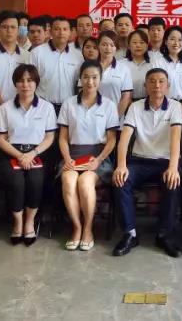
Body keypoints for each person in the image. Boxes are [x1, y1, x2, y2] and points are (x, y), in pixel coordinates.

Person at [111, 68, 182, 257]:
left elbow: (176, 139)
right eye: (152, 81)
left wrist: (173, 167)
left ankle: (164, 235)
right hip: (139, 161)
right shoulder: (135, 107)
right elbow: (124, 139)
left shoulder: (176, 107)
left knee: (173, 181)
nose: (156, 85)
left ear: (168, 86)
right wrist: (121, 165)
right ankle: (130, 234)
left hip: (165, 161)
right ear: (145, 86)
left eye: (161, 81)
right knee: (121, 180)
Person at [58, 60, 120, 251]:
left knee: (85, 182)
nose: (90, 82)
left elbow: (111, 140)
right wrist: (67, 158)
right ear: (80, 78)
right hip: (73, 155)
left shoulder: (108, 105)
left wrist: (98, 160)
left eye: (94, 77)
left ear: (100, 79)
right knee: (69, 180)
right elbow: (63, 138)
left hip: (98, 157)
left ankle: (88, 228)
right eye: (86, 77)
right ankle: (76, 227)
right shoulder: (69, 103)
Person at [0, 64, 57, 246]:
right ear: (15, 84)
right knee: (16, 182)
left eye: (30, 80)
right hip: (11, 153)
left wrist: (32, 154)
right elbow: (1, 139)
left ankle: (29, 222)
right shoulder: (5, 108)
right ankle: (18, 223)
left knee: (35, 180)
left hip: (38, 152)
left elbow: (50, 137)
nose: (25, 84)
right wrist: (20, 156)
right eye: (21, 81)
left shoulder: (46, 107)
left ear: (36, 83)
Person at [0, 10, 31, 112]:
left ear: (18, 30)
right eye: (5, 27)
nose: (9, 30)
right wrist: (5, 108)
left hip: (21, 111)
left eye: (13, 27)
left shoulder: (27, 56)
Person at [31, 16, 81, 107]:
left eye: (65, 29)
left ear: (70, 32)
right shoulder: (36, 53)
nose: (61, 33)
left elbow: (80, 82)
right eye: (57, 29)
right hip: (43, 105)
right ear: (50, 32)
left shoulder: (77, 55)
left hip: (68, 106)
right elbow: (30, 81)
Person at [158, 26, 182, 111]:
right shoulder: (157, 63)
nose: (176, 43)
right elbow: (156, 88)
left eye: (180, 40)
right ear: (165, 41)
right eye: (172, 39)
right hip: (164, 105)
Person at [96, 31, 133, 114]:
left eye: (112, 45)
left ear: (116, 47)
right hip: (92, 116)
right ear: (98, 46)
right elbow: (82, 92)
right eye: (104, 44)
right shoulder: (89, 66)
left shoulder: (124, 69)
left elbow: (126, 97)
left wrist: (116, 117)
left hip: (116, 115)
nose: (108, 48)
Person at [123, 29, 157, 101]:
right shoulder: (121, 64)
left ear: (147, 45)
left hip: (149, 102)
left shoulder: (154, 64)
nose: (138, 45)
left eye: (142, 42)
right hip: (126, 102)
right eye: (134, 42)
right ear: (128, 46)